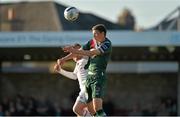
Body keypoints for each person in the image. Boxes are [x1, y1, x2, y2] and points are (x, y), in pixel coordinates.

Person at [58, 24, 112, 116]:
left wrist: (74, 50)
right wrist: (63, 59)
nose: (94, 36)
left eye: (96, 34)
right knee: (89, 111)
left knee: (96, 108)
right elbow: (79, 51)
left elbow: (92, 53)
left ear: (103, 33)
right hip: (89, 80)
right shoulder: (92, 42)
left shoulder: (107, 44)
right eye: (93, 34)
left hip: (98, 76)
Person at [54, 43, 91, 116]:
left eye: (75, 51)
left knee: (76, 109)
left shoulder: (86, 58)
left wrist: (63, 59)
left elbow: (77, 53)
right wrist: (60, 70)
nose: (73, 54)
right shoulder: (78, 63)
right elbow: (74, 76)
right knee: (83, 113)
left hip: (88, 88)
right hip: (86, 89)